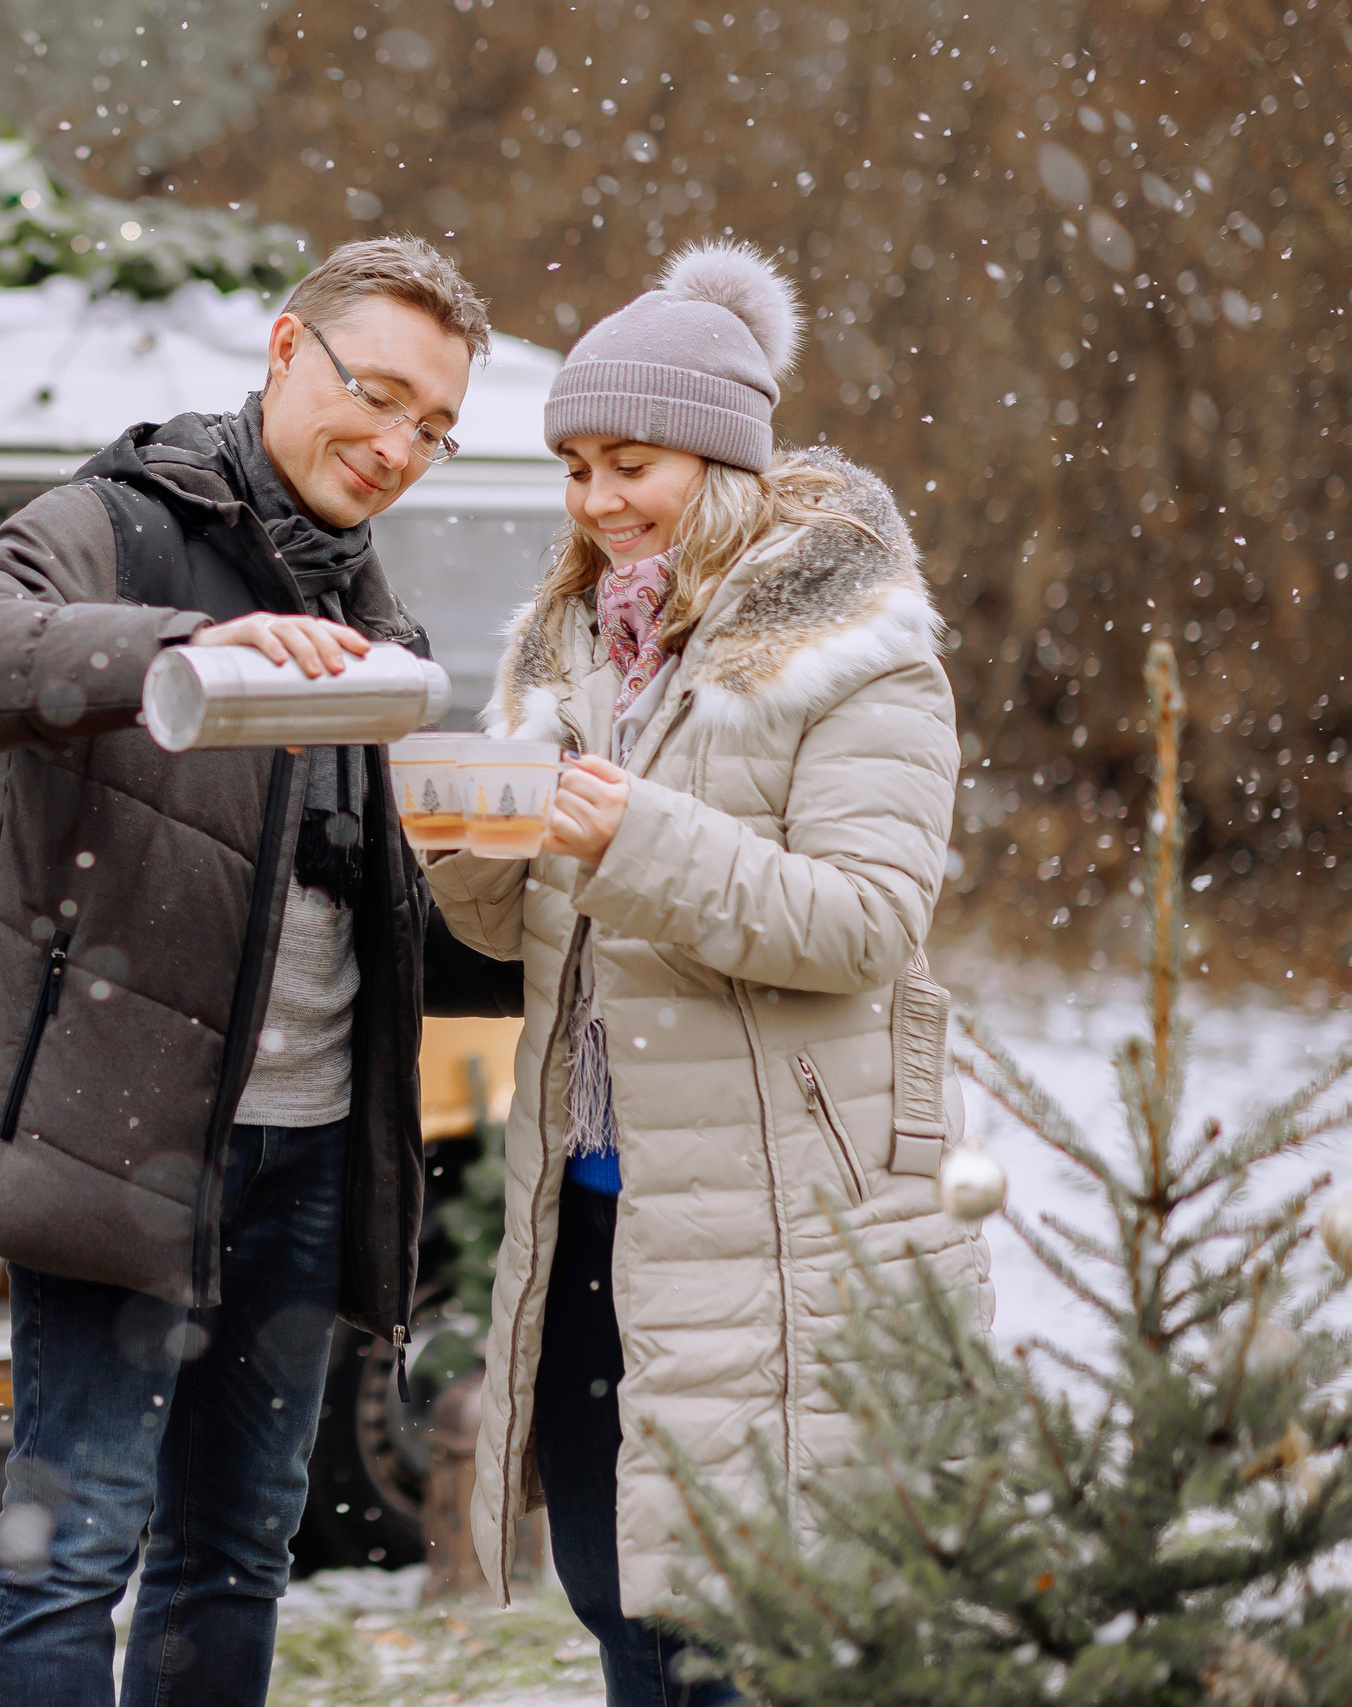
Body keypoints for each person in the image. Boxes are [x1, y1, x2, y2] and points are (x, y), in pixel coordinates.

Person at [0, 236, 520, 1707]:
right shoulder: (125, 522)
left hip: (317, 1148)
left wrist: (526, 879)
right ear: (285, 351)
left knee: (237, 1547)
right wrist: (184, 643)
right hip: (122, 1140)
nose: (399, 446)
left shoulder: (374, 607)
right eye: (379, 395)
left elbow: (357, 903)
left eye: (436, 428)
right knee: (73, 1545)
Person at [426, 242, 987, 1706]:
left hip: (788, 1227)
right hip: (600, 1220)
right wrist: (470, 847)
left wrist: (632, 831)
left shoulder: (857, 652)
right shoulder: (559, 652)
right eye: (576, 469)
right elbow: (524, 933)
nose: (599, 502)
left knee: (752, 1641)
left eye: (634, 464)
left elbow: (866, 922)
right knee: (626, 1613)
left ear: (724, 463)